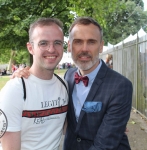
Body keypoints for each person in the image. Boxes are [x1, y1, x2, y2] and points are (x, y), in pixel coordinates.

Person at [11, 17, 132, 150]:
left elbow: (105, 144)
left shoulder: (120, 86)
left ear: (101, 46)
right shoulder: (67, 77)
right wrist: (24, 75)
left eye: (91, 42)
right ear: (69, 46)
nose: (84, 49)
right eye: (78, 42)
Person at [0, 18, 68, 150]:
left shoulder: (64, 85)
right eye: (43, 43)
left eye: (57, 43)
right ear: (30, 48)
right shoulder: (15, 90)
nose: (51, 49)